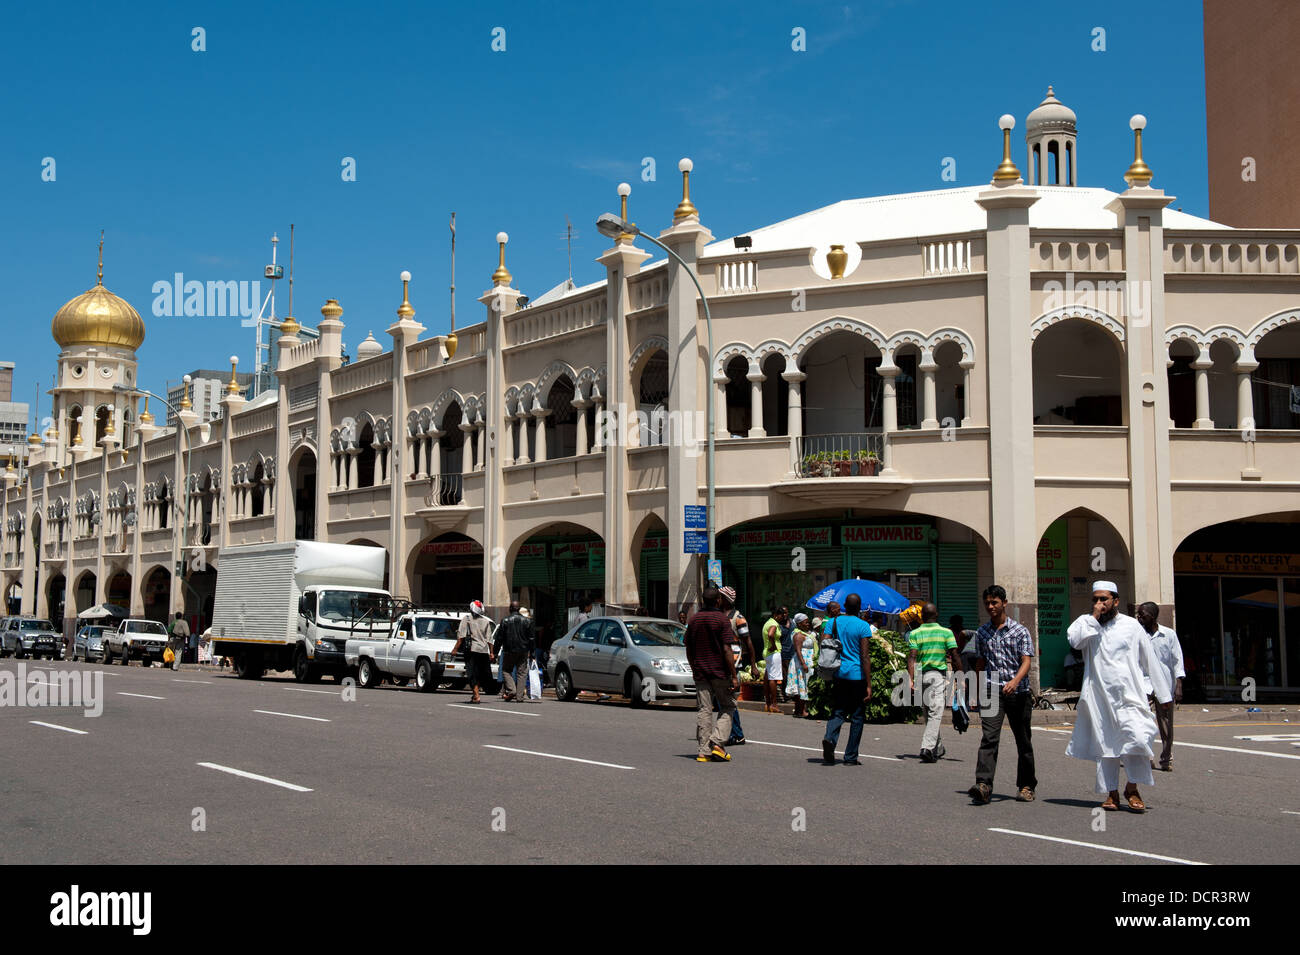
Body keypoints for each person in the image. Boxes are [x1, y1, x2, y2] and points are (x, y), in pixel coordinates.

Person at [1067, 584, 1172, 812]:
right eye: (1095, 599)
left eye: (1104, 599)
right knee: (1107, 747)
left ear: (1115, 601)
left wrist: (1164, 695)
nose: (1099, 603)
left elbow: (1150, 660)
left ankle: (1132, 788)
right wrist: (1094, 617)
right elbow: (1075, 641)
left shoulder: (1132, 626)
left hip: (1130, 696)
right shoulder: (1087, 623)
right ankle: (1112, 793)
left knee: (1139, 738)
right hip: (1099, 698)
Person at [968, 584, 1037, 805]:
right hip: (991, 690)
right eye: (987, 603)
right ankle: (983, 785)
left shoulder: (1020, 631)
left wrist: (1015, 682)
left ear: (1004, 603)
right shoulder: (982, 632)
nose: (991, 607)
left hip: (1019, 692)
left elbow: (1026, 661)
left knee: (1023, 740)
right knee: (989, 738)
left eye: (994, 603)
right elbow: (980, 662)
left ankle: (1026, 786)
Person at [685, 587, 738, 762]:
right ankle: (717, 742)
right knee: (728, 706)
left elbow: (689, 648)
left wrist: (694, 668)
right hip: (720, 672)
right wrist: (734, 675)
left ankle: (703, 751)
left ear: (702, 600)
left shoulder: (693, 620)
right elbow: (727, 650)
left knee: (704, 710)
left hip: (701, 672)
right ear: (718, 601)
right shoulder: (722, 620)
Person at [821, 593, 873, 766]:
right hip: (857, 676)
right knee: (857, 716)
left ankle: (830, 738)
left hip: (838, 673)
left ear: (844, 605)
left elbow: (825, 644)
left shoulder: (832, 622)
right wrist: (869, 684)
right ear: (859, 608)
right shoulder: (863, 626)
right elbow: (865, 656)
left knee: (838, 711)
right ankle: (850, 757)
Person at [906, 603, 963, 763]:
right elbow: (955, 655)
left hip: (921, 675)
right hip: (937, 676)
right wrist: (961, 676)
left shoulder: (915, 633)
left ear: (922, 617)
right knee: (935, 712)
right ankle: (927, 748)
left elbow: (912, 657)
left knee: (927, 712)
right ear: (937, 615)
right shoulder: (947, 633)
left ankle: (937, 748)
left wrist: (910, 679)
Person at [1135, 601, 1184, 771]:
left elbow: (1177, 660)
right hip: (1144, 685)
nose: (1139, 617)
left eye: (1142, 614)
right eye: (1138, 614)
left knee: (1166, 724)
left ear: (1153, 616)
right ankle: (1147, 756)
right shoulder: (1137, 635)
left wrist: (1178, 685)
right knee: (1143, 721)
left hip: (1165, 686)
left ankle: (1166, 758)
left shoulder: (1168, 635)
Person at [718, 586, 753, 745]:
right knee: (724, 701)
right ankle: (731, 732)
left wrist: (753, 665)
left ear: (726, 600)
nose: (717, 599)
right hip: (720, 663)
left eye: (720, 597)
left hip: (734, 665)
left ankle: (737, 733)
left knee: (729, 702)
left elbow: (748, 641)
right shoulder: (719, 616)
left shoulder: (738, 618)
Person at [452, 600, 494, 704]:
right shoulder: (486, 622)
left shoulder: (466, 619)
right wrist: (492, 653)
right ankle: (475, 694)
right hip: (483, 651)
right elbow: (489, 639)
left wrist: (455, 649)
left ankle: (476, 695)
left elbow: (461, 637)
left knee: (471, 673)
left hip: (471, 650)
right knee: (481, 674)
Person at [494, 601, 536, 702]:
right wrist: (533, 653)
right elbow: (532, 638)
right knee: (522, 673)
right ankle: (520, 696)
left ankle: (512, 690)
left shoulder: (505, 621)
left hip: (509, 650)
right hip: (523, 651)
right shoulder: (527, 621)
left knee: (506, 670)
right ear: (518, 609)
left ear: (510, 609)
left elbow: (499, 638)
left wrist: (495, 651)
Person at [785, 613, 814, 717]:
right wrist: (803, 664)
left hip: (806, 661)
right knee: (802, 685)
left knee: (803, 685)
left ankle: (799, 710)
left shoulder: (805, 633)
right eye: (805, 622)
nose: (808, 624)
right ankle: (801, 711)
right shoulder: (798, 635)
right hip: (801, 662)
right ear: (799, 624)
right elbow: (798, 650)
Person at [761, 606, 788, 713]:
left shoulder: (768, 622)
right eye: (781, 616)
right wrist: (773, 645)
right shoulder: (774, 624)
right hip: (773, 653)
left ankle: (768, 704)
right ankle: (774, 704)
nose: (782, 618)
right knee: (773, 678)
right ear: (776, 615)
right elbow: (771, 634)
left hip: (767, 653)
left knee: (767, 677)